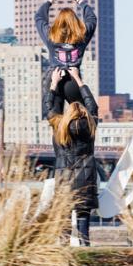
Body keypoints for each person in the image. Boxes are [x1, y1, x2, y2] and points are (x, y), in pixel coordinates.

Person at [45, 67, 98, 247]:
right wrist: (78, 79)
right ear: (84, 114)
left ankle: (63, 245)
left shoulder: (59, 126)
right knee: (83, 217)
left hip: (64, 178)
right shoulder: (90, 125)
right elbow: (93, 106)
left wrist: (54, 84)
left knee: (64, 214)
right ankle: (85, 246)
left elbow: (49, 108)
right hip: (86, 178)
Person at [35, 0, 97, 106]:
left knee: (55, 118)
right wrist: (78, 0)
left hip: (55, 77)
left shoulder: (50, 36)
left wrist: (52, 0)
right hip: (73, 78)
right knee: (81, 115)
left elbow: (39, 17)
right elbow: (92, 18)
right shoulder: (83, 35)